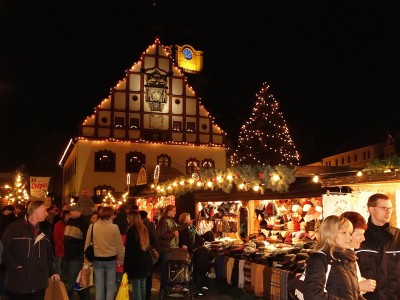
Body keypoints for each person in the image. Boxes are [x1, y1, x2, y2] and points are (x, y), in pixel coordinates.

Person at [1, 200, 60, 299]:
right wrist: (15, 266)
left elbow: (49, 254)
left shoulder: (45, 230)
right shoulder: (14, 228)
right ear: (35, 211)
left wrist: (52, 271)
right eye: (45, 210)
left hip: (38, 284)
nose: (47, 213)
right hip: (18, 282)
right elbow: (4, 249)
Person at [303, 215, 364, 299]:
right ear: (330, 234)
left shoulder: (349, 258)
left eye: (349, 233)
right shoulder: (319, 259)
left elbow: (354, 295)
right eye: (344, 233)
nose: (349, 237)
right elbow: (312, 294)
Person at [356, 193, 400, 299]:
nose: (388, 211)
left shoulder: (398, 236)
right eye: (384, 208)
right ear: (371, 209)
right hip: (366, 297)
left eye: (390, 208)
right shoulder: (359, 237)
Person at [85, 206, 124, 300]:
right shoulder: (114, 227)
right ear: (110, 215)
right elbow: (119, 246)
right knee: (110, 286)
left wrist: (86, 260)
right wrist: (121, 260)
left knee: (99, 286)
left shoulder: (93, 226)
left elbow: (87, 244)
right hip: (111, 259)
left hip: (97, 259)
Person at [340, 211, 376, 295]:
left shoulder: (350, 254)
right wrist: (358, 286)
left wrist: (359, 282)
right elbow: (319, 291)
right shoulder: (331, 256)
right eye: (359, 234)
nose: (363, 239)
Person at [124, 211, 152, 300]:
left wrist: (126, 266)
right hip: (145, 260)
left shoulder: (131, 231)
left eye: (128, 218)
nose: (127, 219)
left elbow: (129, 250)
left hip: (135, 262)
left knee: (136, 287)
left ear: (131, 218)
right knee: (143, 285)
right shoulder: (144, 228)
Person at [64, 204, 89, 300]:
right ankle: (84, 297)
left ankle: (67, 297)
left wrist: (84, 255)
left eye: (73, 211)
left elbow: (86, 240)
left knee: (72, 278)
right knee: (75, 278)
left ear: (79, 212)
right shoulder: (69, 222)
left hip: (77, 255)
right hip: (68, 255)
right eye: (71, 210)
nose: (70, 212)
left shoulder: (83, 224)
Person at [139, 210, 160, 300]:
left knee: (143, 275)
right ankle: (147, 294)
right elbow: (155, 238)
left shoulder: (140, 226)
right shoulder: (150, 224)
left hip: (144, 251)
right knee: (149, 274)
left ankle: (143, 294)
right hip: (149, 251)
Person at [53, 209, 70, 281]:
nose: (69, 216)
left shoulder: (70, 224)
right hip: (60, 248)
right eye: (68, 215)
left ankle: (64, 277)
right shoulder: (58, 224)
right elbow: (56, 237)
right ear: (64, 216)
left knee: (65, 265)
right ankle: (57, 278)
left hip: (67, 248)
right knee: (58, 264)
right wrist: (61, 246)